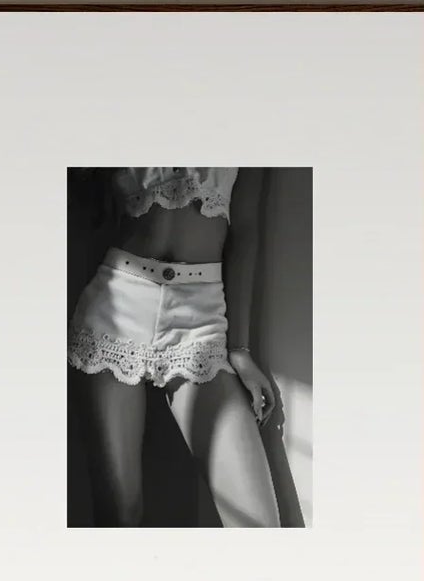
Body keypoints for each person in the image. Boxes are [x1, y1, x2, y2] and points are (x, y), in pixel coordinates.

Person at [67, 166, 283, 530]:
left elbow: (245, 233)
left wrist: (240, 350)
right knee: (121, 518)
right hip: (118, 303)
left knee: (258, 526)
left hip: (202, 318)